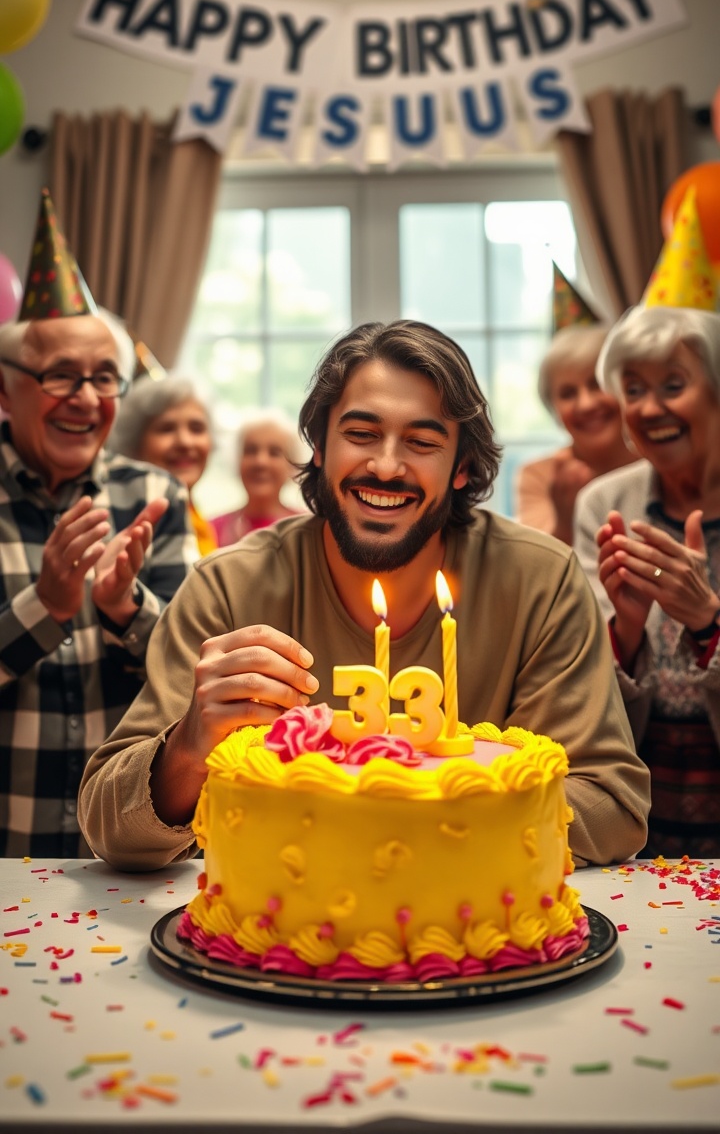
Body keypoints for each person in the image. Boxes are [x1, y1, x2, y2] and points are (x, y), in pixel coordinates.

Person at [78, 319, 650, 872]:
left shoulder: (539, 582)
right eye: (361, 434)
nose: (385, 465)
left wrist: (403, 826)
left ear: (462, 466)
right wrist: (188, 746)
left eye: (423, 441)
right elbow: (109, 823)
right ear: (320, 447)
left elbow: (613, 803)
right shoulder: (229, 587)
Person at [0, 191, 199, 857]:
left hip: (122, 856)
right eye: (61, 377)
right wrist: (46, 608)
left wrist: (126, 608)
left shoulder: (154, 495)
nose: (86, 399)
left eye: (105, 378)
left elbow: (192, 685)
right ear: (6, 389)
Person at [574, 304, 720, 859]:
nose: (650, 408)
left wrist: (708, 621)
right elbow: (585, 697)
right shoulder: (605, 505)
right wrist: (626, 629)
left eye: (673, 385)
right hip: (636, 820)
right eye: (633, 389)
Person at [515, 325, 635, 543]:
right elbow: (534, 569)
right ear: (553, 410)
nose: (586, 404)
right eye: (568, 393)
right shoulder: (539, 476)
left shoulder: (660, 464)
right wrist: (564, 522)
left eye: (596, 384)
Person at [110, 376, 217, 556]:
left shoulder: (200, 520)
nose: (185, 442)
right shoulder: (124, 521)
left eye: (197, 428)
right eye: (166, 428)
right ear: (134, 443)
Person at [211, 407, 303, 547]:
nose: (261, 462)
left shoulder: (308, 530)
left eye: (274, 452)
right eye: (250, 451)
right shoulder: (211, 531)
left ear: (292, 463)